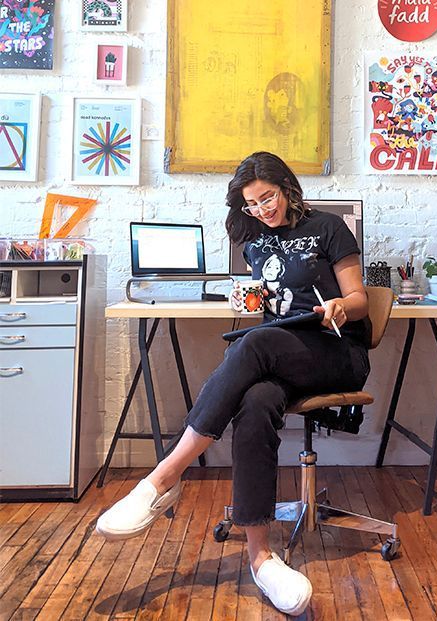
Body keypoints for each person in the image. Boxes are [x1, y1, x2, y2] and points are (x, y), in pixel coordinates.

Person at [96, 151, 370, 617]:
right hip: (280, 352)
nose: (263, 210)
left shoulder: (328, 227)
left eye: (268, 198)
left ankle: (165, 476)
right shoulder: (253, 238)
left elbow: (361, 299)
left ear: (287, 187)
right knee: (257, 399)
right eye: (252, 204)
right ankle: (260, 558)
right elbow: (269, 304)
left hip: (335, 351)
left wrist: (342, 307)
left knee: (255, 345)